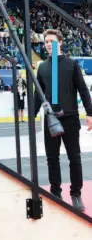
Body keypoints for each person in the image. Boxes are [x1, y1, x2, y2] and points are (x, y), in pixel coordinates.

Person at [34, 29, 92, 212]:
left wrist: (90, 113)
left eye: (52, 41)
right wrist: (33, 113)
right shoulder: (42, 67)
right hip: (51, 120)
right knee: (52, 158)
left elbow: (83, 89)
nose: (49, 45)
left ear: (60, 42)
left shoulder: (71, 64)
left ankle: (75, 194)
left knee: (74, 158)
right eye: (46, 42)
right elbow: (38, 94)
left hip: (70, 119)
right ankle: (55, 193)